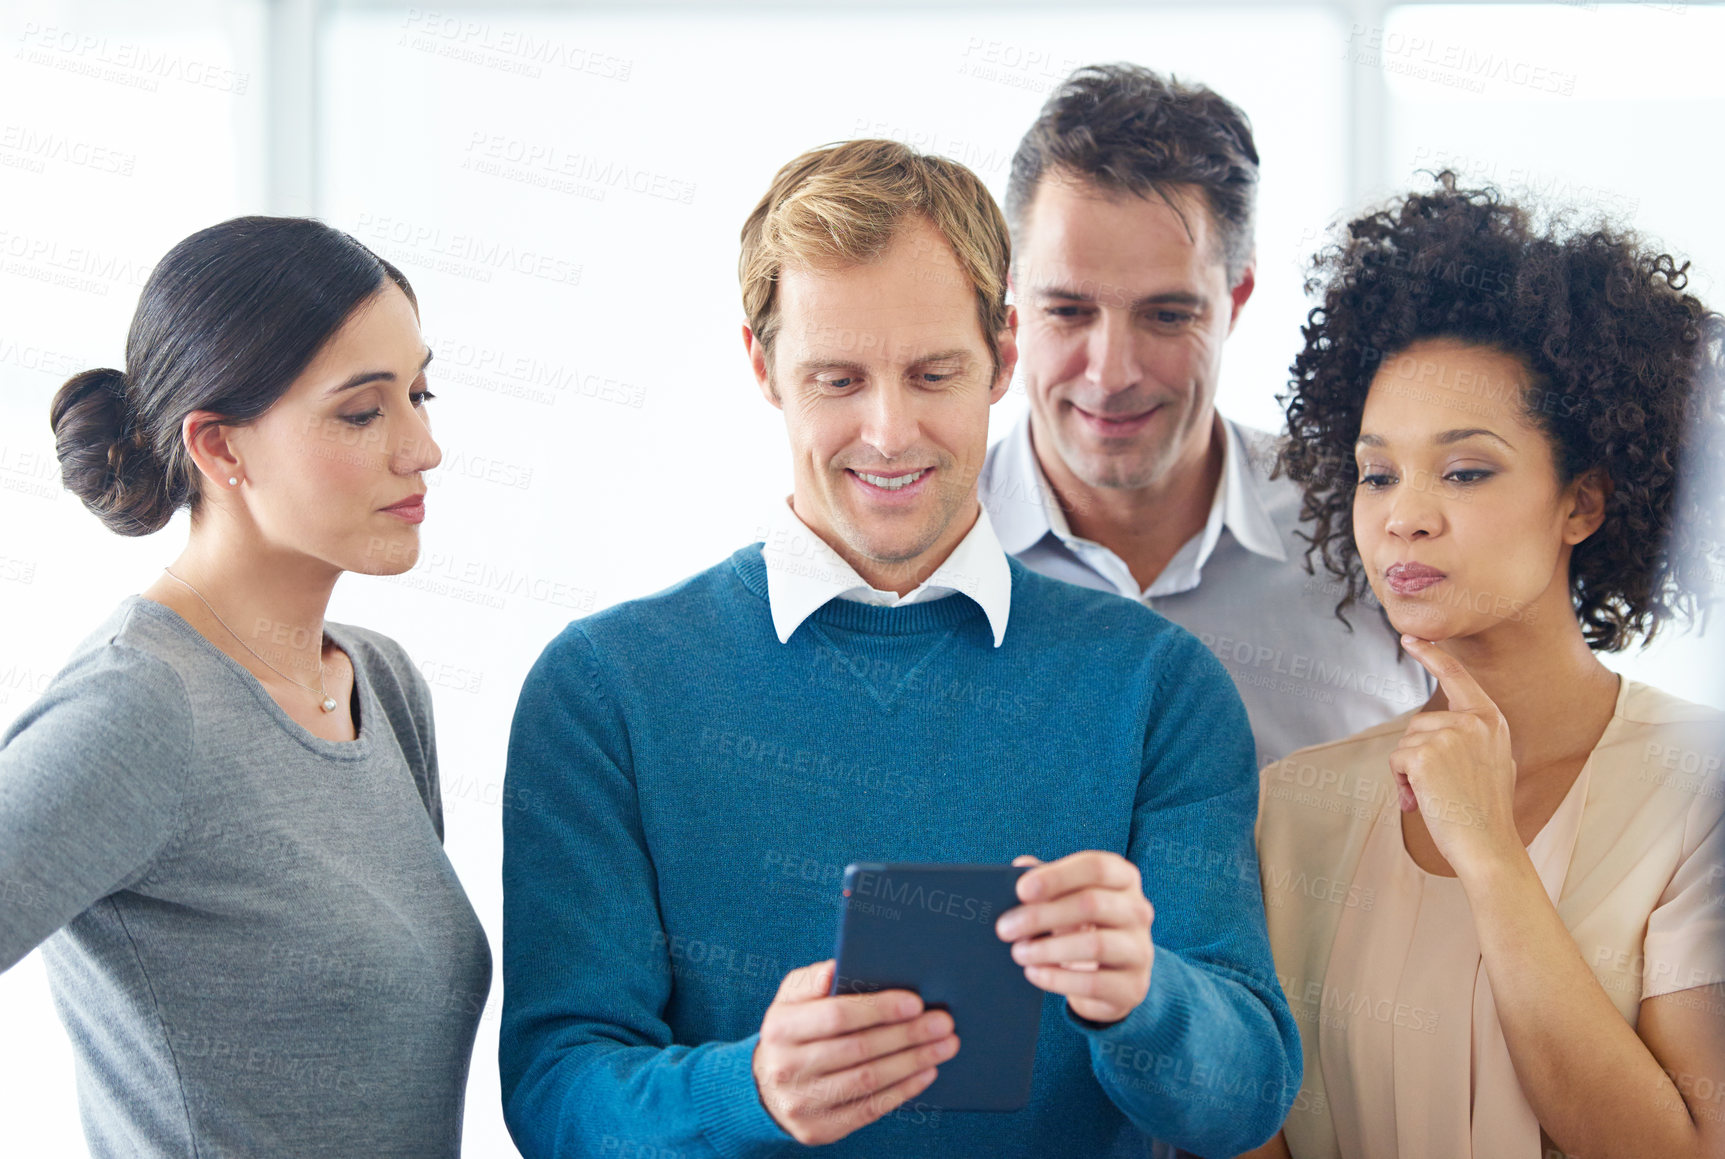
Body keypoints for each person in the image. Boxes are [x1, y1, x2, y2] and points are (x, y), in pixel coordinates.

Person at [500, 139, 1298, 1159]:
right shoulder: (604, 689)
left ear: (1003, 356)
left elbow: (1246, 1098)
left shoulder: (1156, 686)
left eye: (933, 374)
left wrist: (1147, 995)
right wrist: (746, 1090)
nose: (888, 432)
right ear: (763, 367)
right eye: (838, 379)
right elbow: (557, 1091)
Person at [1247, 174, 1725, 1158]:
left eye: (1464, 470)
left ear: (1582, 503)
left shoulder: (1700, 785)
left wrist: (1490, 850)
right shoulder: (1290, 808)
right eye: (1378, 473)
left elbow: (1683, 1145)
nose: (1405, 514)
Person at [0, 217, 491, 1157]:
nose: (422, 447)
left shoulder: (380, 685)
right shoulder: (138, 709)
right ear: (220, 448)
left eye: (420, 393)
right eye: (363, 411)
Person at [980, 64, 1431, 769]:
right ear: (1011, 297)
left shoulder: (1374, 532)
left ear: (1237, 294)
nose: (1110, 372)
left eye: (1165, 314)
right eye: (1067, 310)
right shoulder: (918, 558)